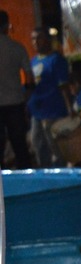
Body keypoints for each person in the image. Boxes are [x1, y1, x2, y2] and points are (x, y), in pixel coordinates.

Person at [27, 27, 72, 167]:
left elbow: (63, 86)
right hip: (37, 111)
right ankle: (44, 171)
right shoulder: (33, 61)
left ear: (47, 40)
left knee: (55, 146)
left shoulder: (56, 60)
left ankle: (60, 173)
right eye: (33, 39)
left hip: (53, 110)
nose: (35, 42)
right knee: (37, 143)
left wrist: (69, 107)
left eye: (39, 38)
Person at [0, 10, 32, 169]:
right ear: (7, 26)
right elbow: (29, 76)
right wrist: (26, 95)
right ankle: (26, 182)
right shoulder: (17, 48)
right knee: (20, 145)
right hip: (15, 103)